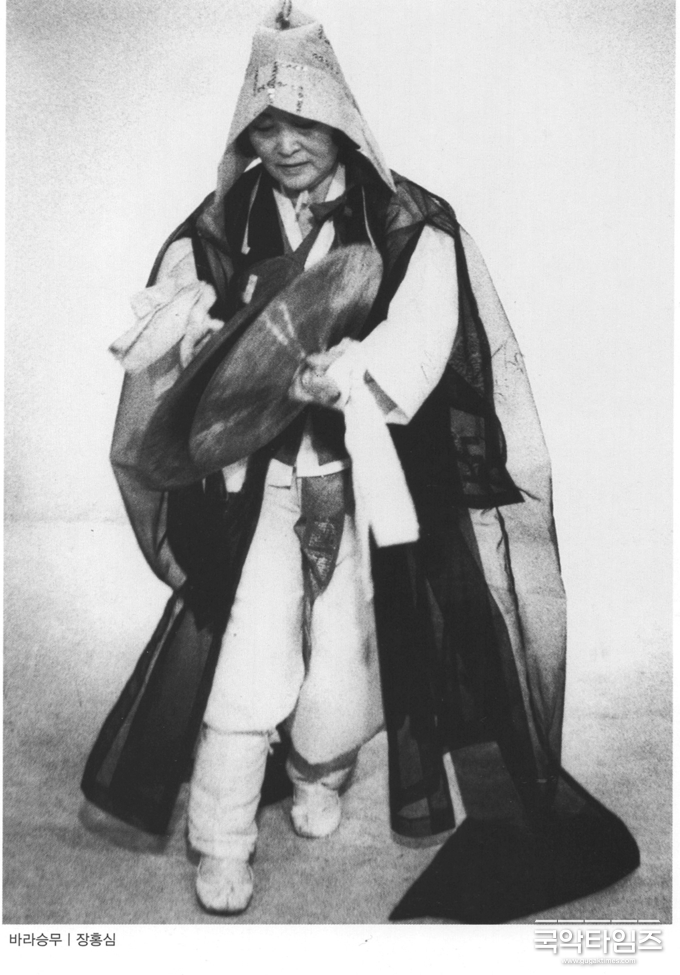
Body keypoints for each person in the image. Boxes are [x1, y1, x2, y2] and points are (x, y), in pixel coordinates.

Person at [83, 1, 639, 922]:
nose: (285, 143)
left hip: (363, 481)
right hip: (262, 488)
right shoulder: (222, 223)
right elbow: (170, 318)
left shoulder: (406, 221)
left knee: (349, 664)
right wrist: (191, 332)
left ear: (338, 115)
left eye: (302, 121)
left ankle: (316, 771)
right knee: (252, 656)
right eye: (266, 125)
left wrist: (351, 372)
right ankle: (220, 837)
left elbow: (423, 336)